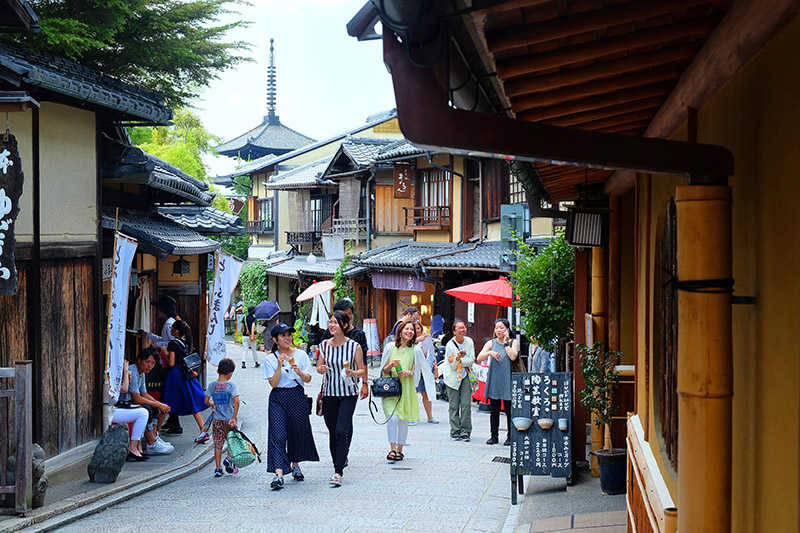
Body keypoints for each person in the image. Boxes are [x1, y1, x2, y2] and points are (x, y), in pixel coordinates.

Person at [263, 323, 319, 490]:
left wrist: (299, 372)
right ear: (275, 340)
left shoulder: (301, 355)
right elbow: (273, 383)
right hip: (278, 397)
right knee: (278, 434)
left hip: (296, 394)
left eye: (289, 335)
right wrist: (279, 365)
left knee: (297, 432)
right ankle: (278, 474)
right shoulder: (270, 359)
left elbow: (308, 379)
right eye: (283, 336)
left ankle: (295, 465)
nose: (287, 338)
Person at [316, 310, 367, 487]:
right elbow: (319, 365)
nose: (331, 325)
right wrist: (320, 369)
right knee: (332, 432)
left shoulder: (354, 346)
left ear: (344, 325)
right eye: (330, 322)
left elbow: (362, 369)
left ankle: (338, 471)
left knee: (340, 431)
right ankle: (338, 460)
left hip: (348, 393)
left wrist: (354, 373)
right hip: (329, 393)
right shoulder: (323, 345)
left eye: (335, 323)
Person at [379, 318, 435, 462]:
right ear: (400, 331)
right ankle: (392, 448)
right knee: (393, 418)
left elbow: (417, 370)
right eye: (407, 329)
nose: (409, 331)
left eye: (412, 330)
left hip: (407, 388)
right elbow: (383, 370)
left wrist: (408, 373)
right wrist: (391, 365)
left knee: (403, 419)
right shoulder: (390, 347)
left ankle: (400, 450)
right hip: (391, 388)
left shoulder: (415, 350)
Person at [138, 295, 182, 434]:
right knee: (169, 392)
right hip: (168, 361)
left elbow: (170, 343)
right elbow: (165, 339)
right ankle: (173, 422)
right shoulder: (170, 322)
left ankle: (173, 423)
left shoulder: (169, 324)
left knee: (168, 392)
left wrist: (156, 344)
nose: (156, 311)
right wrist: (148, 335)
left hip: (169, 361)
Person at [161, 320, 210, 443]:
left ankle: (155, 434)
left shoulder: (173, 343)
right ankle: (203, 431)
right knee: (193, 403)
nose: (170, 330)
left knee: (166, 402)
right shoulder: (186, 343)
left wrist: (164, 353)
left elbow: (171, 363)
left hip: (176, 375)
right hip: (187, 375)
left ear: (176, 331)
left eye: (172, 329)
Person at [122, 347, 174, 455]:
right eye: (147, 362)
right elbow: (137, 398)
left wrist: (159, 404)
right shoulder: (133, 372)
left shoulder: (142, 373)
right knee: (147, 409)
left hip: (132, 402)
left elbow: (144, 393)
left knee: (155, 408)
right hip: (124, 403)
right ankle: (152, 443)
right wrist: (157, 404)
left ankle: (155, 437)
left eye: (152, 363)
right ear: (139, 360)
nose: (149, 366)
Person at [477, 318, 520, 446]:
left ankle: (510, 436)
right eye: (496, 328)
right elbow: (479, 357)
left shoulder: (513, 342)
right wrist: (490, 352)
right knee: (494, 409)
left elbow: (513, 356)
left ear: (507, 329)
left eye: (501, 327)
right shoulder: (491, 343)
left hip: (508, 379)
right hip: (495, 378)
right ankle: (494, 436)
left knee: (509, 410)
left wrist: (506, 343)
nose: (498, 330)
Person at [320, 298, 369, 397]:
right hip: (331, 384)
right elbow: (322, 354)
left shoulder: (358, 334)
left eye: (350, 313)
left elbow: (364, 361)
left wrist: (365, 383)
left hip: (351, 381)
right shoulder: (329, 333)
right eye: (344, 314)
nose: (348, 317)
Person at [205, 358, 240, 478]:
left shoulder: (212, 385)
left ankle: (218, 468)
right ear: (230, 374)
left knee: (217, 444)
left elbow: (206, 401)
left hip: (217, 419)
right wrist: (234, 417)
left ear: (218, 371)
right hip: (229, 419)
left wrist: (212, 404)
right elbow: (236, 400)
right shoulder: (231, 385)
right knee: (231, 441)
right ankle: (229, 459)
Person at [441, 319, 475, 442]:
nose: (462, 330)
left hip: (465, 375)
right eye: (459, 328)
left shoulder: (469, 341)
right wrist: (457, 360)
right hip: (452, 377)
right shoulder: (450, 345)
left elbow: (472, 359)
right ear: (454, 331)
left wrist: (459, 360)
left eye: (464, 327)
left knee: (466, 405)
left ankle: (465, 431)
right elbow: (452, 366)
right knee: (454, 405)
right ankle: (455, 431)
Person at [111, 364, 150, 461]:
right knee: (143, 413)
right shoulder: (109, 375)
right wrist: (125, 371)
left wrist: (126, 376)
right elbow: (124, 389)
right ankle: (133, 447)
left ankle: (137, 446)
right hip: (109, 411)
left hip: (113, 408)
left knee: (143, 411)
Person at [413, 321, 439, 425]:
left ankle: (430, 416)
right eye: (414, 329)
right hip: (414, 370)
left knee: (426, 393)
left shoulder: (427, 340)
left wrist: (435, 368)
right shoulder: (409, 341)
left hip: (426, 369)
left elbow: (432, 355)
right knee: (412, 393)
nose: (416, 330)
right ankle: (412, 416)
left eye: (418, 328)